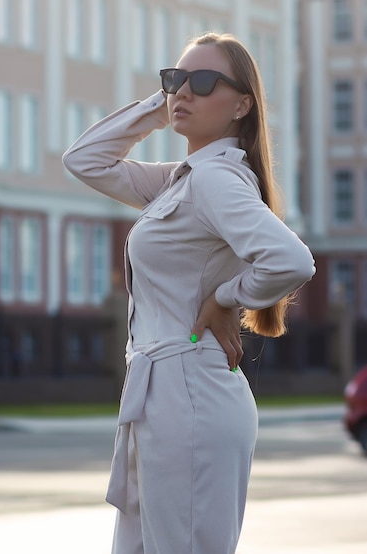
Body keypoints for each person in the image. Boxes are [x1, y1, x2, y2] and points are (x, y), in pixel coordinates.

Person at [63, 32, 315, 554]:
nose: (184, 93)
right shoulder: (179, 180)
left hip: (191, 395)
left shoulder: (216, 181)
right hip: (161, 396)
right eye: (176, 79)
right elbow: (85, 160)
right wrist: (162, 105)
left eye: (203, 82)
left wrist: (224, 298)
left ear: (242, 104)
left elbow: (291, 260)